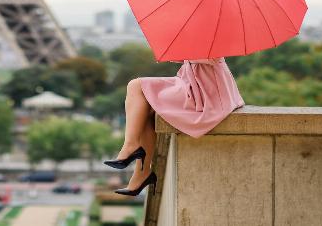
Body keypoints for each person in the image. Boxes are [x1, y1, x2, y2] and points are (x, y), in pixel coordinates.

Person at [104, 57, 244, 195]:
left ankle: (132, 150)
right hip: (191, 81)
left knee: (138, 88)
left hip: (207, 90)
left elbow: (210, 57)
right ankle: (140, 171)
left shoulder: (212, 37)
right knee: (137, 90)